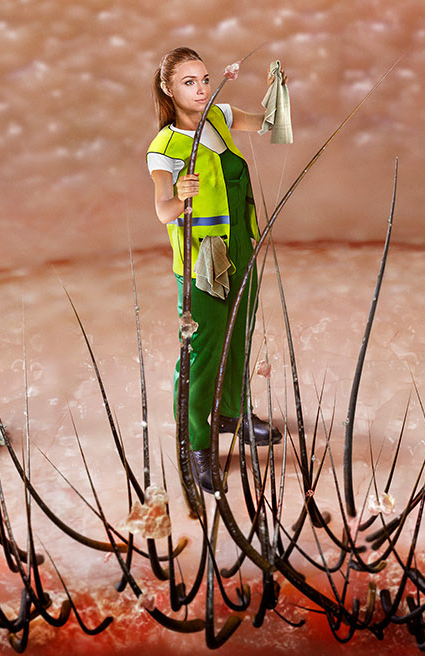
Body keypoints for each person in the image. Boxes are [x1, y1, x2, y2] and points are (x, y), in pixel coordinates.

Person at [148, 47, 284, 494]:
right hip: (202, 262)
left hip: (240, 247)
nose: (201, 89)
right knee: (202, 351)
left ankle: (232, 415)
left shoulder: (221, 117)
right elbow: (163, 212)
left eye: (204, 79)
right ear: (169, 89)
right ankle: (196, 442)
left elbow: (268, 123)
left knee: (238, 334)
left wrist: (275, 90)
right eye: (189, 82)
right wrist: (181, 196)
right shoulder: (164, 149)